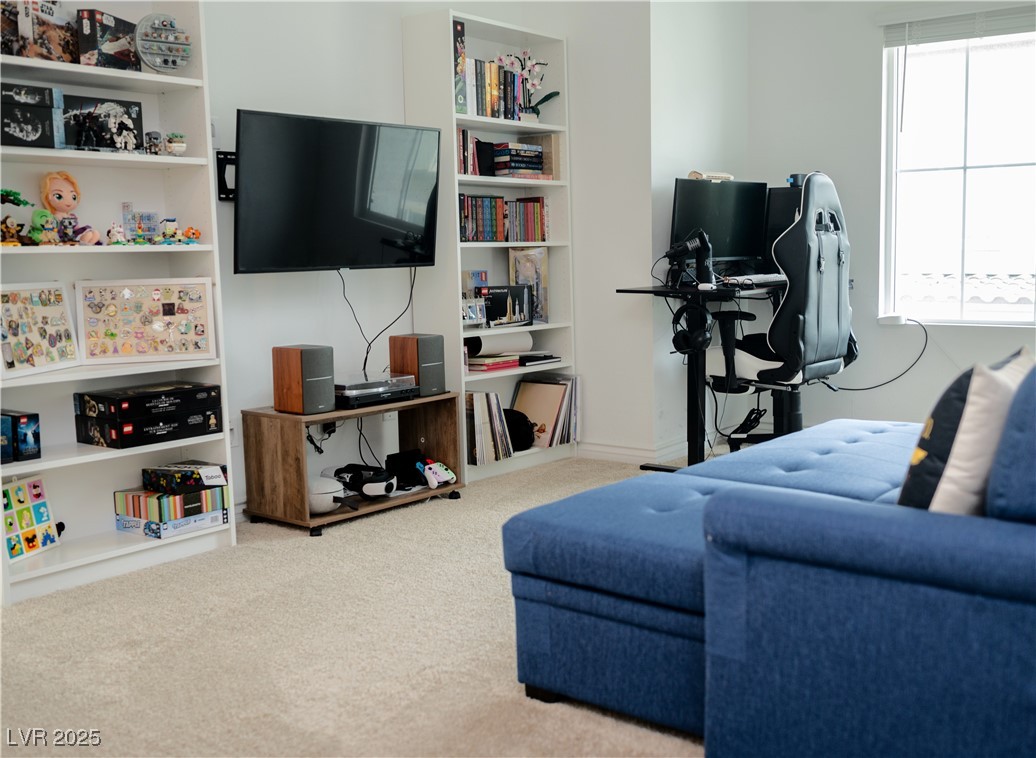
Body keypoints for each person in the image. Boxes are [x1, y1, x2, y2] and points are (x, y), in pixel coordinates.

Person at [39, 171, 101, 245]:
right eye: (58, 196)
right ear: (48, 197)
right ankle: (82, 241)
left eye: (73, 196)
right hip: (62, 237)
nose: (68, 201)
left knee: (94, 233)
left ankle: (84, 241)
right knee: (86, 235)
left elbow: (76, 228)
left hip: (72, 235)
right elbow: (50, 229)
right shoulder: (53, 217)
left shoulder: (72, 216)